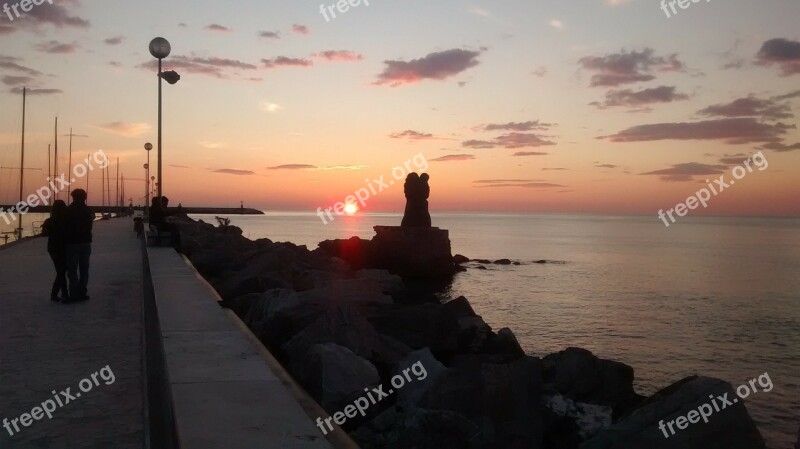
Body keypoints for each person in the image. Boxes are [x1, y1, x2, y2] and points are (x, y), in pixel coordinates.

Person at [65, 189, 93, 302]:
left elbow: (65, 227)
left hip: (73, 243)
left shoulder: (69, 210)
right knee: (84, 269)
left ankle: (74, 293)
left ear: (73, 197)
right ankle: (82, 292)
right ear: (84, 198)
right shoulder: (88, 210)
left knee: (72, 270)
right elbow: (90, 225)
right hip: (85, 242)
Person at [41, 200, 69, 302]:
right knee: (61, 271)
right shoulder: (64, 220)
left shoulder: (50, 221)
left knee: (60, 272)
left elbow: (44, 234)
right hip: (60, 248)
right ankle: (63, 294)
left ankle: (56, 294)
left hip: (53, 248)